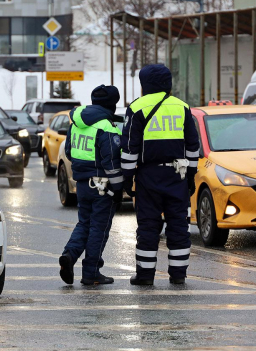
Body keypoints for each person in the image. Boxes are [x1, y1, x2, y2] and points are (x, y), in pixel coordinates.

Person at [121, 64, 200, 286]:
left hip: (149, 177)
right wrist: (191, 176)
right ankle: (178, 275)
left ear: (144, 84)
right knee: (178, 226)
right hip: (178, 175)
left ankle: (145, 276)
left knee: (148, 226)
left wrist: (128, 179)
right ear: (168, 83)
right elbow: (193, 146)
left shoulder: (137, 108)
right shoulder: (182, 107)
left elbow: (129, 148)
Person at [58, 85, 123, 286]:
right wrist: (119, 188)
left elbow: (68, 151)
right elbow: (111, 163)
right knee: (99, 229)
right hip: (102, 185)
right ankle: (91, 272)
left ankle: (69, 254)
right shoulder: (106, 127)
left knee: (84, 223)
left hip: (82, 184)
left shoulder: (76, 123)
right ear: (112, 104)